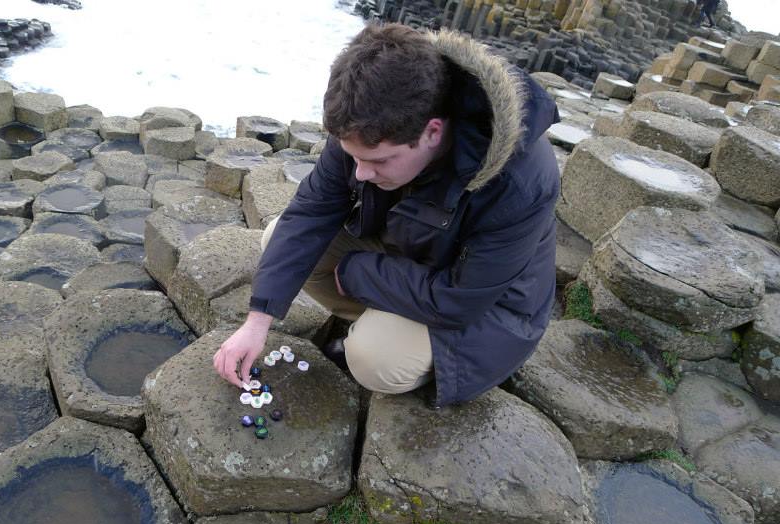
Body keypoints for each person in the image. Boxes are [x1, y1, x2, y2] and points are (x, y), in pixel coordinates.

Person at [212, 23, 561, 407]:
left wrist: (357, 272)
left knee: (374, 359)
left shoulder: (523, 180)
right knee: (277, 235)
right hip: (413, 255)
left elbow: (459, 301)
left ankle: (392, 337)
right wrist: (258, 320)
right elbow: (311, 212)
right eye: (354, 157)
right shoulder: (367, 115)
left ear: (432, 132)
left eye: (377, 161)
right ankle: (383, 317)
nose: (360, 172)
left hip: (486, 309)